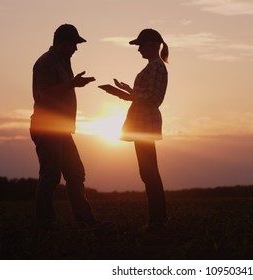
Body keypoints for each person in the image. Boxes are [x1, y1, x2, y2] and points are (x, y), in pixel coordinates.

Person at [99, 28, 169, 232]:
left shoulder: (155, 67)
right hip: (143, 123)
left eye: (141, 45)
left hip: (145, 124)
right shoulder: (154, 67)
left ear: (152, 46)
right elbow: (146, 94)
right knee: (148, 172)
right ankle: (157, 220)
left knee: (150, 173)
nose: (138, 50)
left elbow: (153, 99)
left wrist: (123, 95)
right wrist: (128, 90)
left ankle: (157, 221)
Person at [30, 24, 97, 229]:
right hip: (47, 127)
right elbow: (44, 94)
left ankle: (84, 220)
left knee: (75, 173)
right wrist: (72, 84)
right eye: (73, 44)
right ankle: (44, 224)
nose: (76, 49)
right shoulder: (45, 63)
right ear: (60, 42)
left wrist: (74, 83)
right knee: (50, 176)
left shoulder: (63, 62)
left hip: (61, 129)